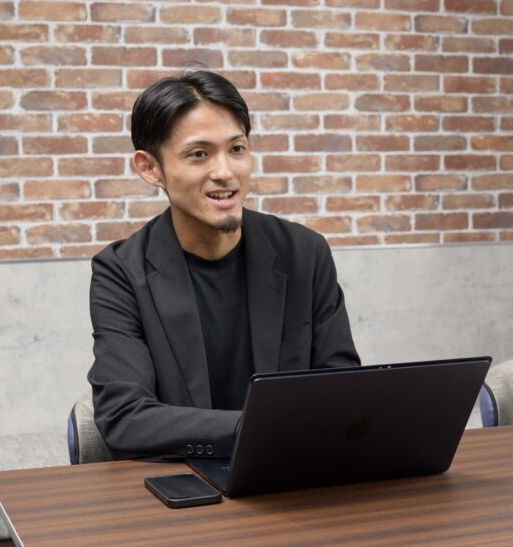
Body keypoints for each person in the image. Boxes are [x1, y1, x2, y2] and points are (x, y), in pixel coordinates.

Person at [88, 71, 359, 461]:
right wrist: (262, 429)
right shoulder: (121, 273)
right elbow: (124, 418)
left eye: (237, 149)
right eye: (199, 154)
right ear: (150, 168)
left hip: (294, 479)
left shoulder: (305, 252)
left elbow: (342, 389)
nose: (225, 172)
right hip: (186, 485)